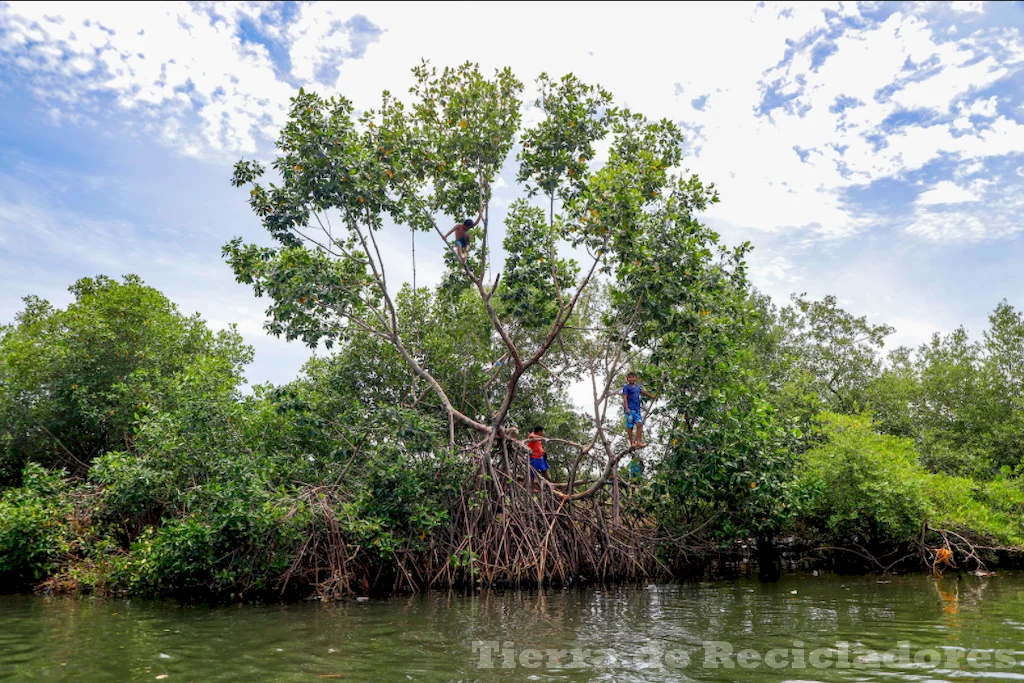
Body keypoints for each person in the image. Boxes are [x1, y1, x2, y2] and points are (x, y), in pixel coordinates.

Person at [622, 372, 655, 448]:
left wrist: (651, 396)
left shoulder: (637, 387)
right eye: (630, 377)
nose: (632, 378)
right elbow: (625, 398)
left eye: (633, 377)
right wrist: (626, 408)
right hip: (630, 409)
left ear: (636, 378)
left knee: (639, 425)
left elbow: (642, 392)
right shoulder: (626, 387)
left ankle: (638, 442)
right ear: (627, 379)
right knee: (630, 426)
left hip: (637, 410)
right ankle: (631, 443)